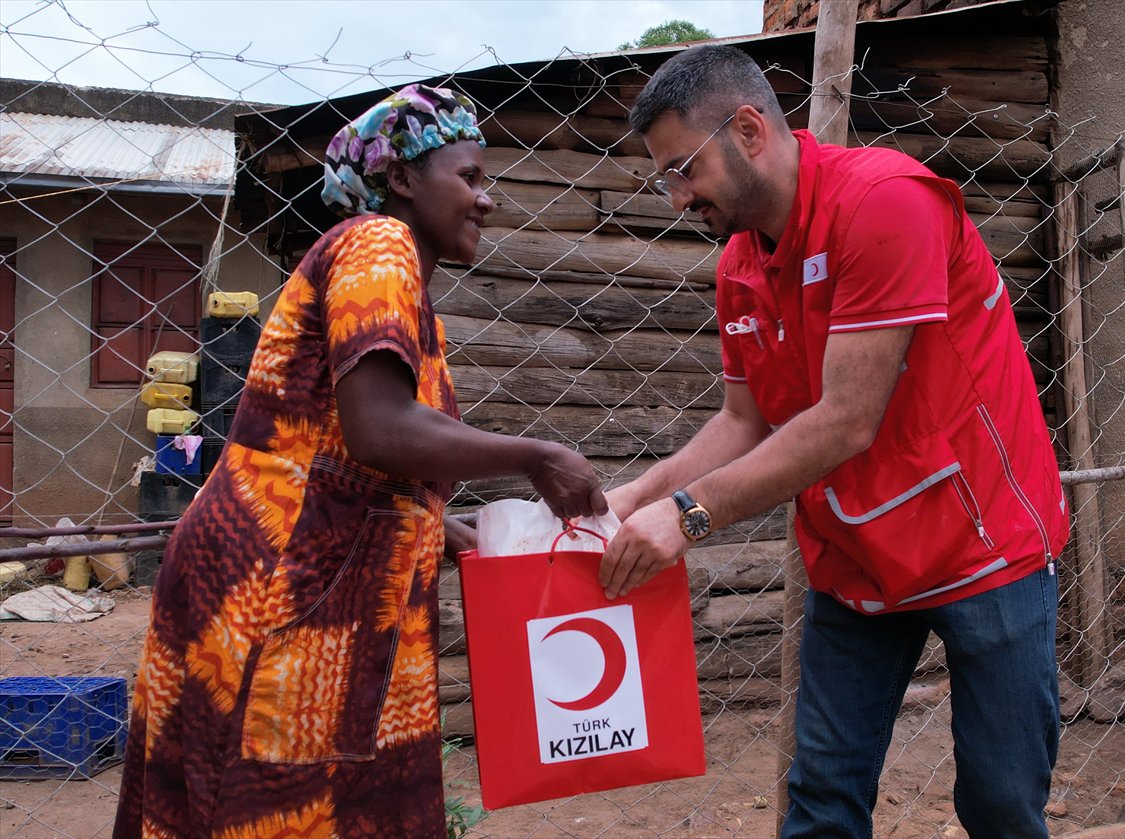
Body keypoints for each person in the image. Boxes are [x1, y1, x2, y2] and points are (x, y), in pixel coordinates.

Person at [599, 46, 1069, 838]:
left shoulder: (884, 202)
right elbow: (743, 422)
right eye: (663, 178)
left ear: (748, 129)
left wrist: (684, 516)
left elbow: (849, 418)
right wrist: (630, 497)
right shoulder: (741, 263)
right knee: (821, 798)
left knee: (1000, 802)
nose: (677, 197)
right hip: (856, 555)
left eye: (683, 169)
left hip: (980, 539)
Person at [115, 84, 607, 839]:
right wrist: (537, 456)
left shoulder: (408, 293)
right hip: (282, 592)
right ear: (403, 178)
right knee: (274, 809)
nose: (488, 199)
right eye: (469, 178)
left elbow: (349, 459)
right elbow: (378, 428)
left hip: (322, 594)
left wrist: (450, 526)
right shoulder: (377, 242)